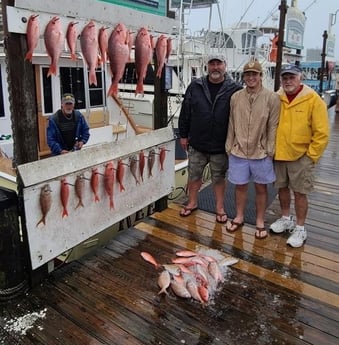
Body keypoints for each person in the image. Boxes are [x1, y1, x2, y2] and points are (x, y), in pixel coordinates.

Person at [270, 64, 329, 247]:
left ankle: (301, 227)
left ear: (300, 78)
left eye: (292, 77)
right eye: (285, 78)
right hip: (279, 154)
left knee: (300, 193)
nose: (288, 81)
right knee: (282, 189)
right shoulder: (277, 97)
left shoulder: (312, 99)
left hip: (301, 156)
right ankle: (286, 218)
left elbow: (322, 132)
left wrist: (311, 156)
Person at [178, 55, 242, 223]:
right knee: (194, 175)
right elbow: (185, 111)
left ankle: (220, 208)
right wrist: (183, 135)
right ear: (207, 66)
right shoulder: (195, 85)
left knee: (218, 178)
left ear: (224, 66)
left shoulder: (235, 88)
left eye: (218, 64)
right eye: (212, 64)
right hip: (197, 142)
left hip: (221, 145)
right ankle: (192, 202)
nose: (215, 67)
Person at [225, 60, 280, 239]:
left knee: (261, 188)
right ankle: (239, 216)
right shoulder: (235, 97)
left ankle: (259, 221)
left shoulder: (272, 98)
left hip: (261, 152)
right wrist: (229, 145)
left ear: (260, 76)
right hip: (238, 150)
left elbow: (273, 125)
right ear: (244, 77)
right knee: (240, 186)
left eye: (254, 74)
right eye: (247, 74)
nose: (251, 77)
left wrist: (270, 149)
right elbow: (231, 123)